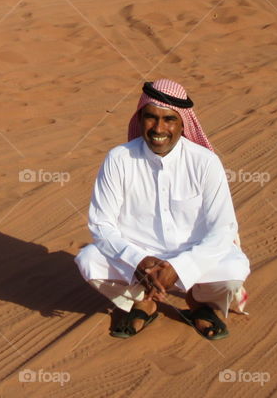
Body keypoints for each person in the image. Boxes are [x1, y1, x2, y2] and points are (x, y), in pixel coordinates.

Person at [75, 79, 249, 340]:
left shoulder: (205, 163)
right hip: (139, 256)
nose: (158, 128)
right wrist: (138, 261)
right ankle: (144, 300)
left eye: (169, 119)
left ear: (183, 124)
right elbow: (101, 225)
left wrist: (180, 267)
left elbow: (223, 229)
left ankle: (199, 301)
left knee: (234, 268)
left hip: (193, 254)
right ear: (140, 118)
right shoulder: (119, 159)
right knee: (89, 261)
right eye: (150, 118)